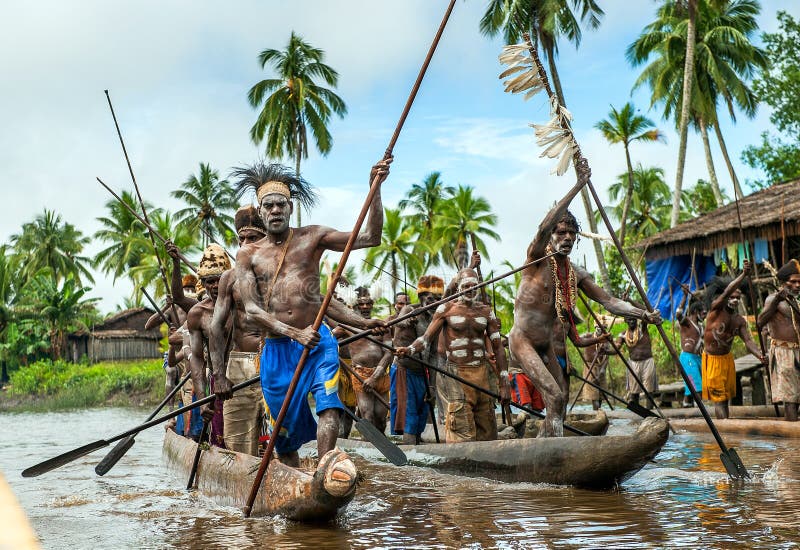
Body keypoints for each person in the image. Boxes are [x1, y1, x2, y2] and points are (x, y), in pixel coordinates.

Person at [217, 158, 389, 467]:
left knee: (329, 405)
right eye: (268, 206)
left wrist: (374, 189)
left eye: (281, 204)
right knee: (284, 433)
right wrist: (293, 332)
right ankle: (292, 476)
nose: (275, 210)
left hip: (318, 343)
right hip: (277, 349)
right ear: (260, 211)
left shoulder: (313, 237)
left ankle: (325, 469)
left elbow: (369, 238)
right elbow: (253, 309)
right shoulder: (248, 255)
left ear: (290, 208)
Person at [508, 159, 659, 437]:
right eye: (561, 233)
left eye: (572, 234)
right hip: (522, 340)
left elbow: (610, 302)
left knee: (562, 396)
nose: (566, 238)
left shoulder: (575, 273)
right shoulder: (536, 260)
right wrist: (578, 185)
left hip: (546, 348)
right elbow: (544, 226)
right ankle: (550, 451)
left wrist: (643, 315)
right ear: (552, 237)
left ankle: (547, 446)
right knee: (553, 395)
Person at [398, 268, 510, 443]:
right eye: (466, 286)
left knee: (487, 430)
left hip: (481, 374)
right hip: (457, 374)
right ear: (458, 288)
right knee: (461, 430)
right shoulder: (446, 309)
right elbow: (426, 339)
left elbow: (498, 348)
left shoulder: (486, 312)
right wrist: (409, 350)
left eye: (475, 286)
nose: (471, 289)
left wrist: (504, 383)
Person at [202, 206, 267, 455]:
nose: (246, 244)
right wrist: (219, 376)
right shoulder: (229, 278)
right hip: (240, 364)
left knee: (281, 437)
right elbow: (216, 328)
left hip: (274, 358)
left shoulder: (282, 270)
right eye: (242, 239)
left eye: (253, 238)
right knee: (237, 443)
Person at [702, 260, 765, 419]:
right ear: (726, 296)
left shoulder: (739, 320)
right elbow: (726, 291)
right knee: (720, 400)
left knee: (726, 398)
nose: (735, 300)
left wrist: (760, 355)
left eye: (738, 297)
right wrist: (743, 274)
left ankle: (726, 427)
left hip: (727, 360)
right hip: (713, 359)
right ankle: (723, 431)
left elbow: (748, 342)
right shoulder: (715, 309)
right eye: (732, 296)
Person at [187, 243, 232, 447]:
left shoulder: (240, 305)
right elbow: (197, 358)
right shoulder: (198, 313)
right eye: (209, 281)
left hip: (250, 377)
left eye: (219, 280)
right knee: (221, 442)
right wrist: (202, 399)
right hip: (219, 385)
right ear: (203, 283)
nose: (215, 286)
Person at [391, 275, 444, 444]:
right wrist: (408, 322)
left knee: (424, 410)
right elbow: (398, 324)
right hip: (404, 370)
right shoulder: (409, 309)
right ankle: (409, 445)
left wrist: (432, 385)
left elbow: (434, 354)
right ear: (421, 298)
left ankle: (418, 442)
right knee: (410, 413)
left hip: (423, 373)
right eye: (430, 299)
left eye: (437, 299)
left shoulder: (435, 319)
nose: (433, 303)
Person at [333, 287, 392, 433]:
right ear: (356, 306)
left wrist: (375, 376)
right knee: (367, 415)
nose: (365, 307)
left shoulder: (382, 325)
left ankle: (380, 449)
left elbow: (389, 353)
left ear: (372, 305)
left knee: (380, 418)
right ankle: (367, 451)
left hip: (381, 375)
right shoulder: (346, 327)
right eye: (361, 304)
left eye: (368, 304)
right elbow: (327, 340)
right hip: (360, 374)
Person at [757, 260, 800, 422]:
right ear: (782, 282)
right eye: (793, 281)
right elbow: (760, 322)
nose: (797, 285)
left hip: (798, 350)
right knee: (790, 397)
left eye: (799, 282)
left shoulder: (795, 300)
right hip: (784, 352)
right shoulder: (773, 300)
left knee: (797, 396)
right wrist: (776, 300)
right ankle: (792, 439)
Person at [615, 315, 658, 408]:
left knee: (649, 391)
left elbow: (645, 318)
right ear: (626, 320)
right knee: (634, 392)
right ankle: (636, 413)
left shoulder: (642, 329)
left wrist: (631, 300)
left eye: (633, 319)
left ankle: (650, 413)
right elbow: (615, 349)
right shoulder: (622, 335)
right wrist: (605, 351)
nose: (632, 321)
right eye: (629, 319)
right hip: (633, 363)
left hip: (647, 362)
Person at [675, 286, 706, 407]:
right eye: (703, 313)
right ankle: (702, 414)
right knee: (696, 388)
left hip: (698, 358)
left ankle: (687, 408)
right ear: (695, 312)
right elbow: (678, 313)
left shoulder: (701, 326)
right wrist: (684, 296)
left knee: (692, 387)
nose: (704, 316)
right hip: (687, 358)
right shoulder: (687, 322)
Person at [578, 323, 616, 410]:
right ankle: (596, 411)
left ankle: (599, 411)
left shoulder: (607, 340)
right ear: (595, 327)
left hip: (601, 366)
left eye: (603, 328)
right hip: (590, 367)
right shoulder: (588, 336)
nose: (600, 329)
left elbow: (611, 353)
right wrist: (583, 336)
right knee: (593, 393)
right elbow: (578, 340)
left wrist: (602, 370)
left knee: (601, 393)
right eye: (598, 327)